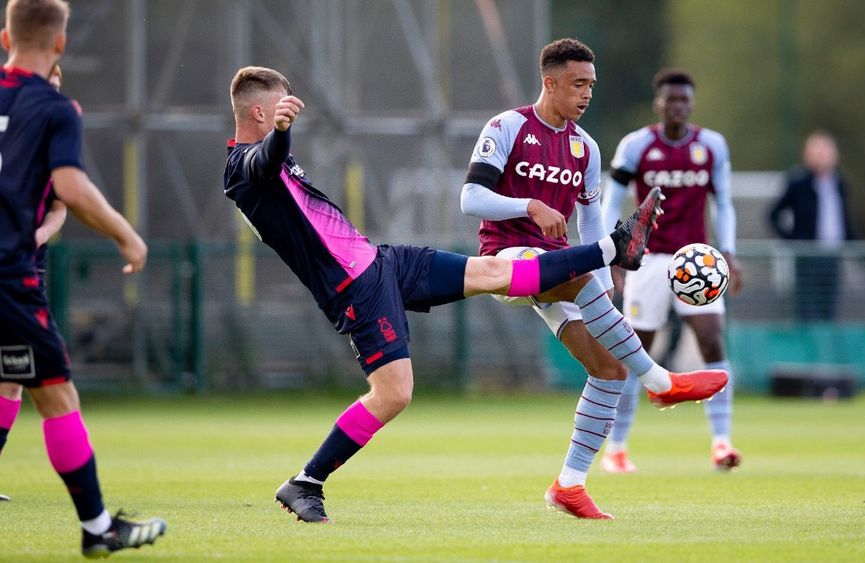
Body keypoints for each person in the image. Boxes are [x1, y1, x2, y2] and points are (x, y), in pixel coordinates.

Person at [223, 65, 665, 524]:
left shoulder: (267, 152)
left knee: (496, 270)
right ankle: (306, 482)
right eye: (280, 105)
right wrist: (279, 134)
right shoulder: (242, 167)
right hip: (353, 286)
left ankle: (612, 251)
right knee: (393, 394)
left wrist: (278, 135)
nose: (289, 111)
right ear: (260, 110)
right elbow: (265, 162)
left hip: (383, 262)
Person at [460, 40, 729, 519]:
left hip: (559, 269)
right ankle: (662, 380)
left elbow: (591, 227)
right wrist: (529, 206)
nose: (587, 94)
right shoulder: (507, 127)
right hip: (504, 260)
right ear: (550, 82)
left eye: (591, 85)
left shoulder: (585, 147)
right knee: (584, 281)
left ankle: (570, 485)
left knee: (609, 371)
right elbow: (471, 198)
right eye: (578, 84)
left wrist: (605, 284)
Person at [0, 0, 166, 557]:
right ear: (61, 44)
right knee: (57, 395)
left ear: (5, 37)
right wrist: (126, 233)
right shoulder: (53, 107)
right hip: (7, 278)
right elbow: (70, 188)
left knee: (14, 385)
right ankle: (98, 529)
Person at [601, 68, 744, 473]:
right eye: (671, 99)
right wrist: (613, 252)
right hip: (648, 259)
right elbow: (612, 202)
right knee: (634, 352)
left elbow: (725, 204)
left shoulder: (711, 146)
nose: (678, 106)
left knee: (713, 343)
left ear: (691, 104)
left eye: (685, 100)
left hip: (696, 260)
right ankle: (618, 449)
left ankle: (721, 443)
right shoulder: (637, 145)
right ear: (658, 104)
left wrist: (729, 253)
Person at [0, 63, 69, 503]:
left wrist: (41, 233)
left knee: (11, 378)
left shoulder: (56, 139)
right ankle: (95, 521)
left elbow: (62, 203)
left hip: (28, 271)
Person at [768, 130, 855, 321]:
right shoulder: (799, 182)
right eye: (817, 151)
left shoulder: (839, 181)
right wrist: (793, 240)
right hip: (808, 256)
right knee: (807, 310)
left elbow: (845, 218)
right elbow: (773, 214)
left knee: (829, 310)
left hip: (833, 255)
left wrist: (853, 242)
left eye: (826, 151)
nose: (822, 156)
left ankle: (827, 349)